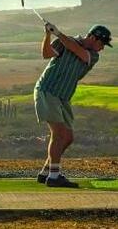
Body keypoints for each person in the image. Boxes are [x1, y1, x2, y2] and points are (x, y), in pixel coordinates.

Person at [34, 22, 111, 188]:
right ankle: (54, 177)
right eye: (102, 43)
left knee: (67, 138)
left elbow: (78, 51)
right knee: (59, 134)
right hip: (48, 90)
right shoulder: (64, 41)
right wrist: (48, 35)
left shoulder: (93, 55)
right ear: (92, 37)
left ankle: (46, 171)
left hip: (63, 97)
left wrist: (58, 32)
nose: (102, 48)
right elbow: (46, 54)